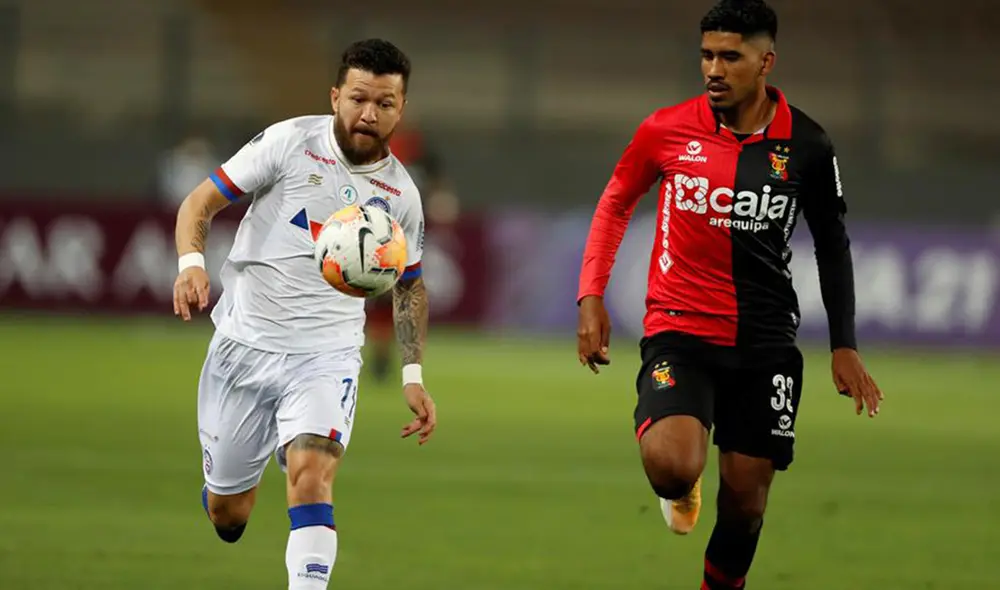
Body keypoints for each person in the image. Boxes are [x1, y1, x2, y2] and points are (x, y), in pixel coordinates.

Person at [575, 1, 883, 588]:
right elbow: (616, 201)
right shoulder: (666, 129)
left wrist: (844, 345)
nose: (714, 69)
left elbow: (832, 244)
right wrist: (591, 295)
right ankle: (680, 486)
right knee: (672, 465)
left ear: (766, 61)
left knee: (745, 507)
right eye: (707, 56)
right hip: (680, 331)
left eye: (730, 56)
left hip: (765, 342)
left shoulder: (809, 145)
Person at [171, 39, 437, 590]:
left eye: (385, 104)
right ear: (336, 95)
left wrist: (413, 376)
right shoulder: (289, 142)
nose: (369, 114)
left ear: (401, 109)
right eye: (359, 98)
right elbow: (199, 203)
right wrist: (191, 264)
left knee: (312, 475)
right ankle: (247, 468)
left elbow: (409, 288)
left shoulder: (402, 196)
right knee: (229, 516)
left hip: (326, 355)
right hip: (243, 347)